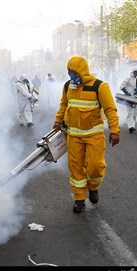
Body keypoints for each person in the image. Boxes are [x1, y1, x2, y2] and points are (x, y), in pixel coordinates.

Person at [52, 55, 120, 213]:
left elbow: (110, 110)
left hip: (93, 135)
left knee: (95, 166)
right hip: (73, 136)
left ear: (81, 71)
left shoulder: (99, 86)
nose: (71, 76)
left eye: (73, 72)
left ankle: (93, 187)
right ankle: (79, 198)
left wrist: (115, 130)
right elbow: (63, 104)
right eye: (69, 72)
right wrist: (58, 120)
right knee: (75, 168)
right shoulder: (68, 86)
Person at [119, 66, 137, 133]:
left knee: (135, 114)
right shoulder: (128, 79)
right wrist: (127, 93)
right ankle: (131, 127)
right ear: (132, 72)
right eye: (135, 72)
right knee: (130, 113)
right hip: (129, 98)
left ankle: (133, 125)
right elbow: (121, 86)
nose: (136, 73)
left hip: (136, 98)